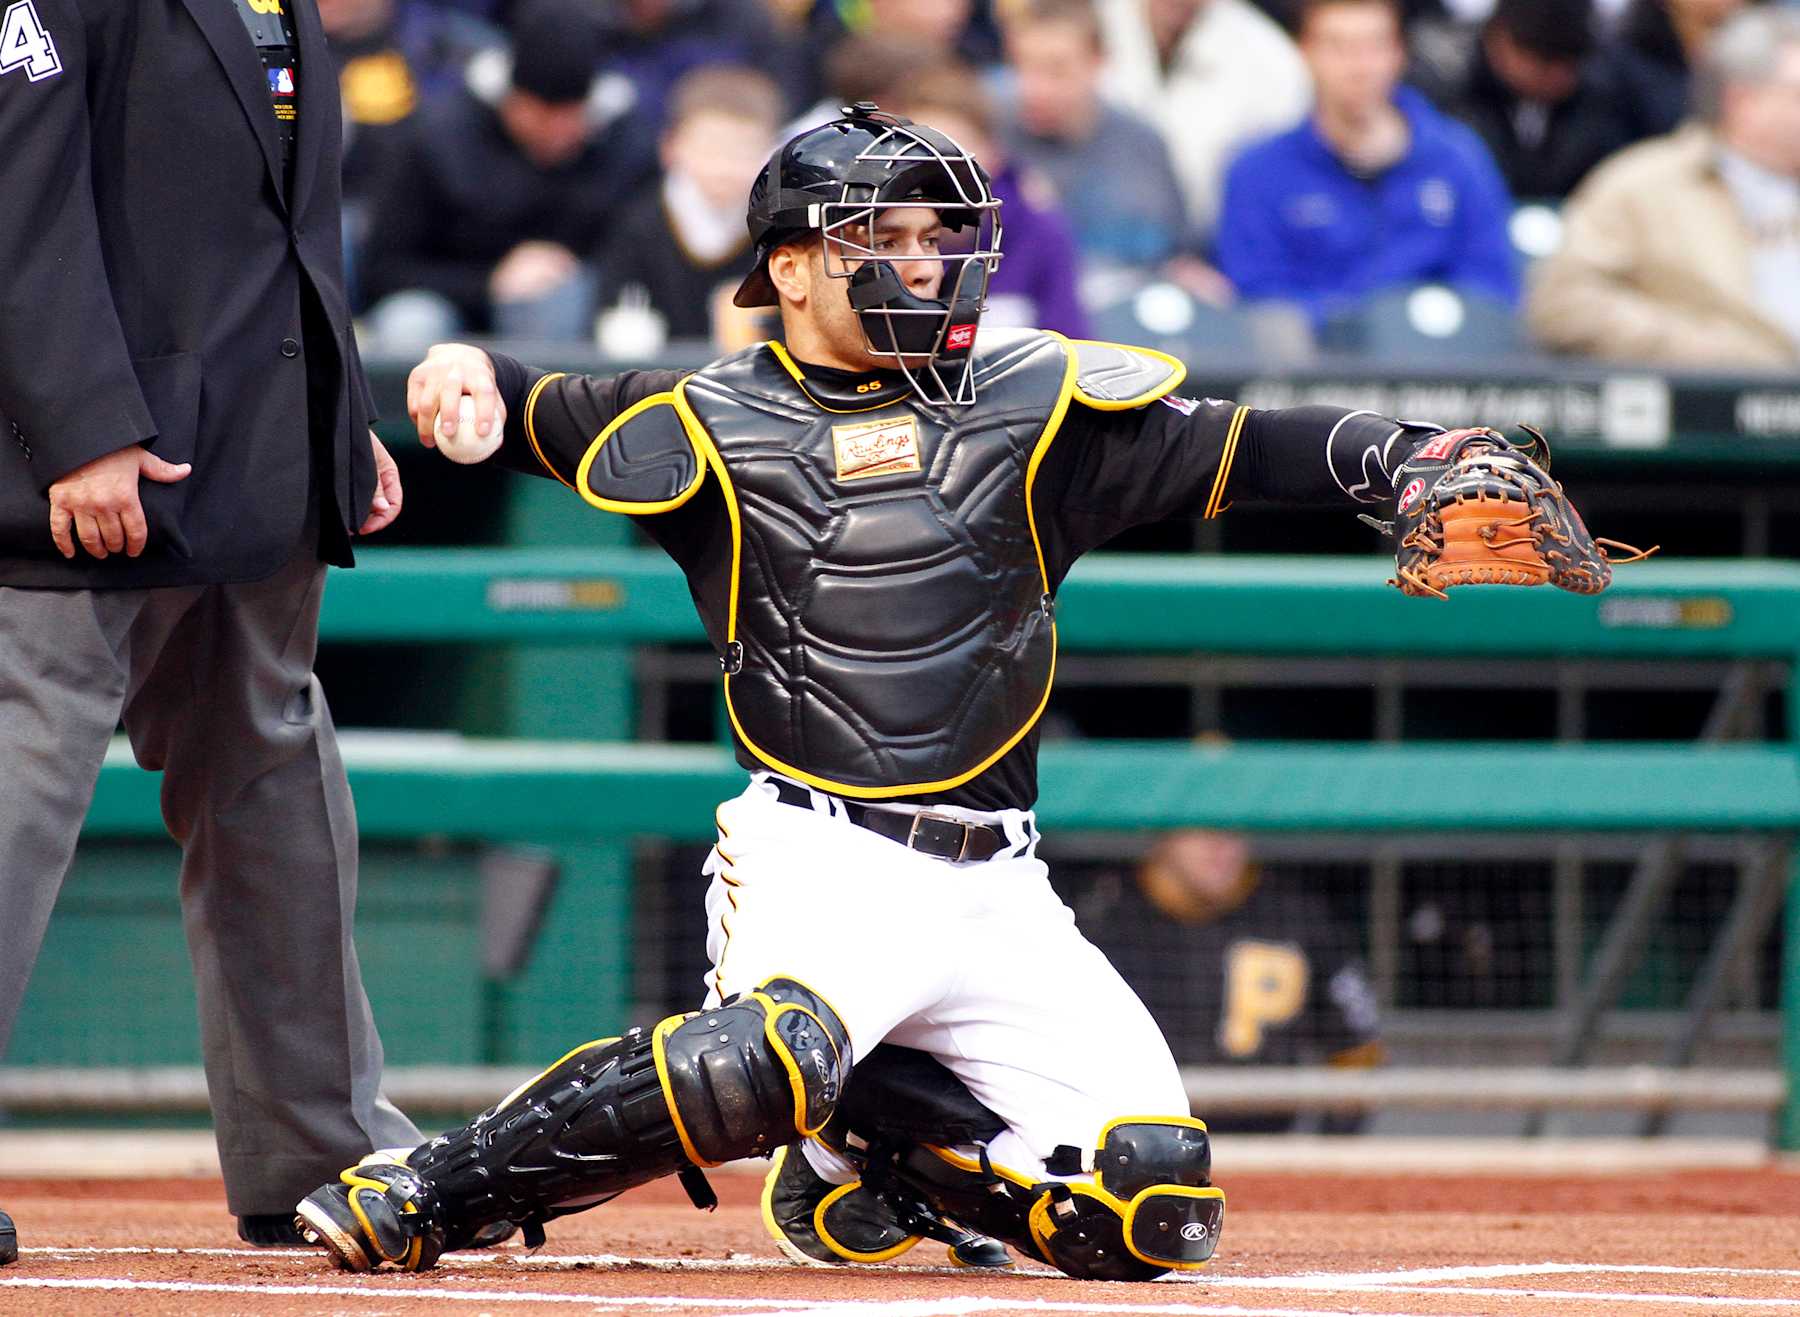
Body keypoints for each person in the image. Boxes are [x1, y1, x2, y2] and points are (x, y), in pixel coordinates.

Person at [292, 103, 1514, 1279]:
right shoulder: (701, 419)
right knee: (756, 1062)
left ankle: (858, 1154)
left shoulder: (1038, 404)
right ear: (790, 268)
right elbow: (517, 402)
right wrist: (461, 362)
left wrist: (1406, 456)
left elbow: (1251, 446)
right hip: (825, 861)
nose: (922, 262)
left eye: (938, 236)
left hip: (1000, 882)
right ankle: (434, 1186)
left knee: (1149, 1208)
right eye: (880, 236)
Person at [0, 0, 420, 1251]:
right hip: (85, 470)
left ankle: (324, 1153)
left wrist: (337, 423)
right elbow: (19, 206)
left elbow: (282, 231)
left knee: (275, 795)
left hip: (253, 461)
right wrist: (82, 429)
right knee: (17, 788)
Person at [357, 0, 655, 345]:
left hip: (563, 305)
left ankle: (544, 384)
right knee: (411, 322)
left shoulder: (624, 145)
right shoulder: (440, 137)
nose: (558, 131)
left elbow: (637, 256)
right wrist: (491, 282)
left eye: (570, 116)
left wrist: (556, 270)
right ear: (511, 99)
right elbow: (381, 270)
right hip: (446, 300)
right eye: (542, 115)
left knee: (560, 298)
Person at [1213, 0, 1520, 330]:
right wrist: (1352, 326)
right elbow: (1258, 295)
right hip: (1310, 356)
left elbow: (1491, 283)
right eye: (1337, 46)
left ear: (1399, 53)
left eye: (1374, 45)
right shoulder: (1259, 171)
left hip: (1438, 351)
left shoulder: (1458, 159)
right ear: (1303, 51)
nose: (1358, 67)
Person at [1525, 7, 1800, 366]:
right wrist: (1715, 352)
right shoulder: (1644, 185)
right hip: (1706, 396)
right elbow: (1564, 304)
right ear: (1741, 101)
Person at [1072, 831, 1382, 1133]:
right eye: (1202, 826)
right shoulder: (1098, 916)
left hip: (1265, 1144)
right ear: (1163, 833)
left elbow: (1358, 1048)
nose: (1220, 844)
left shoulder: (1293, 913)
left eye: (1232, 827)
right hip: (1137, 1144)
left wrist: (1328, 1146)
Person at [1002, 0, 1196, 294]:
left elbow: (1179, 250)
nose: (1034, 88)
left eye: (1056, 70)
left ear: (1098, 62)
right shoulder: (989, 137)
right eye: (1021, 66)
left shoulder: (1143, 143)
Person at [593, 66, 787, 348]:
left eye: (744, 151)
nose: (725, 168)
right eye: (711, 149)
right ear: (671, 147)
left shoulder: (779, 225)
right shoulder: (642, 224)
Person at [1095, 0, 1314, 236]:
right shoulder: (1087, 25)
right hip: (1092, 237)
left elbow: (1279, 186)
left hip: (1214, 244)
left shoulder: (1272, 61)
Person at [1423, 0, 1640, 200]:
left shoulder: (1604, 97)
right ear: (1500, 42)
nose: (1557, 77)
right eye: (1544, 63)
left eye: (1569, 64)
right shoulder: (1448, 93)